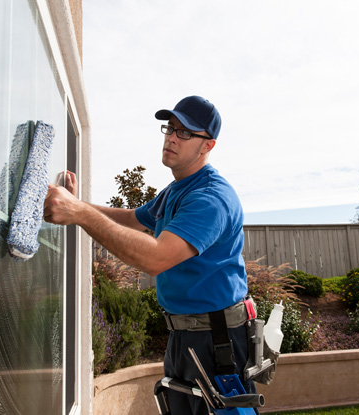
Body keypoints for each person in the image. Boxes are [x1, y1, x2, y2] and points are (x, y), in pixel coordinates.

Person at [43, 95, 256, 414]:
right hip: (184, 337)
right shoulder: (175, 191)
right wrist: (80, 204)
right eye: (170, 128)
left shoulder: (211, 198)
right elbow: (132, 219)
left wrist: (79, 214)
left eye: (185, 133)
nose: (171, 137)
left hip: (217, 342)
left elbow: (156, 258)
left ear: (207, 145)